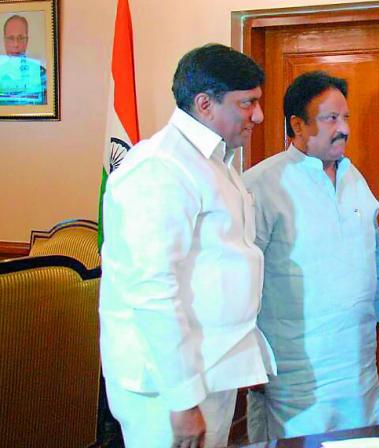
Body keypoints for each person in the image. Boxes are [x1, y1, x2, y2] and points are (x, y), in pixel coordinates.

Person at [99, 43, 276, 448]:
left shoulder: (216, 161)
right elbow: (152, 290)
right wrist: (182, 399)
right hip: (166, 385)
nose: (259, 116)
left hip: (212, 365)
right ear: (204, 104)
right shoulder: (162, 167)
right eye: (247, 103)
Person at [243, 71, 379, 440]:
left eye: (346, 118)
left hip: (357, 361)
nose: (344, 129)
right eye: (330, 119)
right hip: (294, 368)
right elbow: (243, 279)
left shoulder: (354, 176)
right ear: (298, 124)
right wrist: (249, 358)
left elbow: (371, 255)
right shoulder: (261, 185)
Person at [0, 14, 46, 105]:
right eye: (10, 38)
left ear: (27, 41)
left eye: (20, 38)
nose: (16, 44)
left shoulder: (42, 74)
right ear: (4, 41)